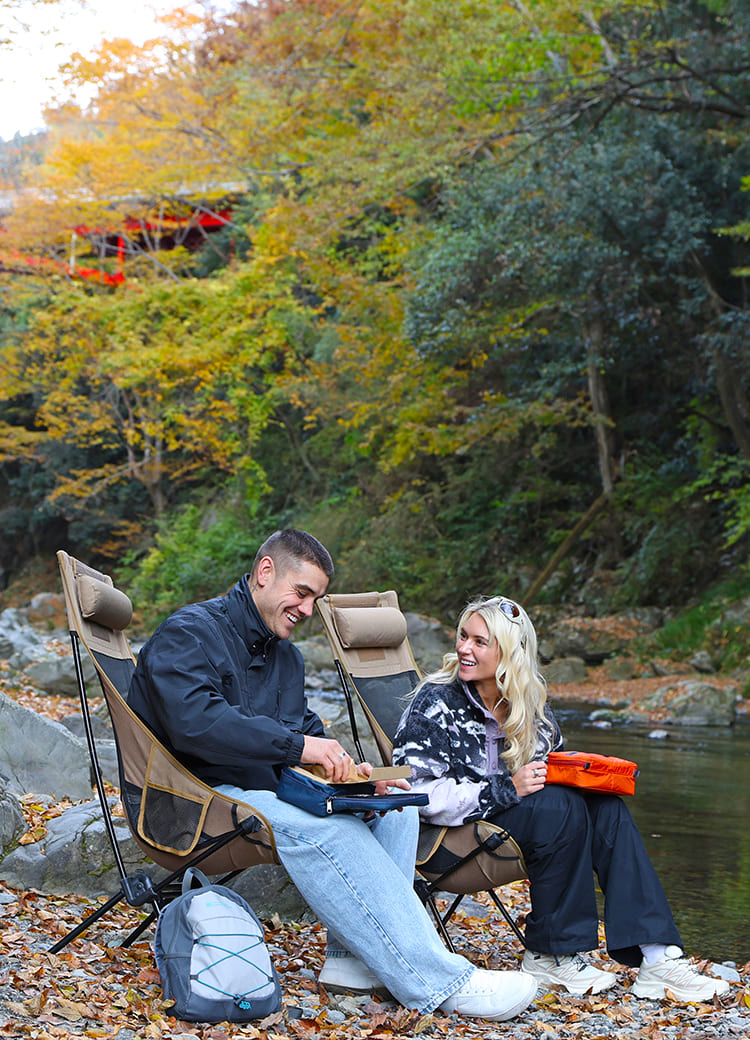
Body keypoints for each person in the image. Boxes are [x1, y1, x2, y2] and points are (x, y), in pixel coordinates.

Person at [127, 530, 537, 1021]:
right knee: (333, 831)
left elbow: (303, 729)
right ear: (265, 573)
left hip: (264, 789)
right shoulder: (189, 632)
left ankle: (351, 962)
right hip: (194, 798)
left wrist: (352, 775)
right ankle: (439, 981)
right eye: (301, 593)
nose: (306, 609)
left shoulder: (286, 657)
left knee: (395, 809)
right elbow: (196, 724)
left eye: (315, 599)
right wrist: (301, 747)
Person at [392, 594, 731, 1003]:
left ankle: (657, 957)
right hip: (445, 843)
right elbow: (416, 792)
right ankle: (550, 956)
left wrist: (586, 777)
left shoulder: (528, 703)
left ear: (511, 653)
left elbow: (552, 771)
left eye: (480, 642)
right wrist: (506, 788)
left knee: (605, 807)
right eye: (464, 636)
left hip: (506, 827)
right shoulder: (436, 700)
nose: (464, 648)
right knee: (559, 806)